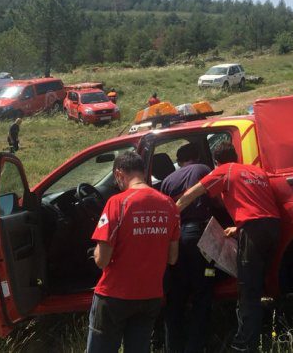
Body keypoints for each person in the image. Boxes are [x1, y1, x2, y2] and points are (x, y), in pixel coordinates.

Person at [176, 141, 280, 352]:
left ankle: (244, 344)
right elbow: (256, 205)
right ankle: (266, 327)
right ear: (236, 156)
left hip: (254, 231)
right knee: (259, 282)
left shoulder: (224, 170)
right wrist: (239, 228)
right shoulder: (255, 171)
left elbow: (191, 194)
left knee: (247, 288)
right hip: (273, 227)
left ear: (216, 161)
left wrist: (171, 213)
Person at [87, 151, 180, 353]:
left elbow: (102, 260)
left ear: (119, 174)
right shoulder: (169, 205)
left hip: (114, 295)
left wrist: (95, 252)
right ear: (143, 172)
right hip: (150, 296)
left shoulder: (117, 203)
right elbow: (172, 258)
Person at [160, 144, 215, 353]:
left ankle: (173, 346)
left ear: (179, 161)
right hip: (200, 237)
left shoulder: (167, 181)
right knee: (203, 289)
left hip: (178, 238)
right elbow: (217, 199)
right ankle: (195, 346)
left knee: (177, 294)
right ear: (197, 156)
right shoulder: (203, 169)